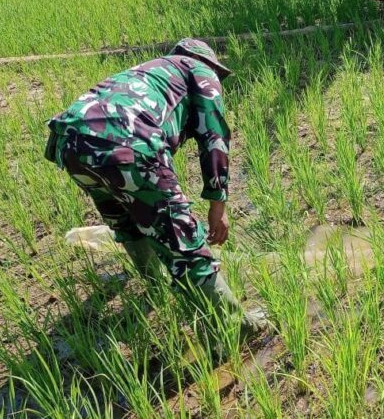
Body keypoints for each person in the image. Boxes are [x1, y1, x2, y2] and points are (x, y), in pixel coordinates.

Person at [44, 38, 267, 331]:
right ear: (209, 63)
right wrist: (218, 204)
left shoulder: (148, 71)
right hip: (126, 143)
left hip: (69, 144)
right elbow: (214, 137)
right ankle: (234, 326)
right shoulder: (199, 70)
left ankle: (155, 285)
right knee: (182, 238)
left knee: (127, 220)